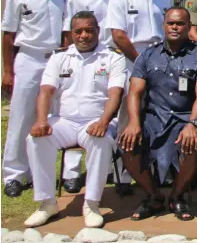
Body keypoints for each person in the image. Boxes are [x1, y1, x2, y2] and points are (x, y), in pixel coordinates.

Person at [24, 12, 126, 228]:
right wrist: (41, 120)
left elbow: (115, 94)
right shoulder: (59, 57)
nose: (84, 35)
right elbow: (46, 91)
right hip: (65, 120)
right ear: (70, 34)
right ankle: (46, 203)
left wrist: (104, 121)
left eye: (89, 30)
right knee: (36, 139)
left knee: (100, 141)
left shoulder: (112, 57)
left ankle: (91, 204)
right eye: (78, 31)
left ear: (98, 32)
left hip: (97, 120)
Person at [117, 7, 197, 222]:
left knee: (191, 145)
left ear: (189, 27)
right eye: (171, 23)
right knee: (127, 144)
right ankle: (153, 196)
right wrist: (134, 123)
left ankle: (177, 196)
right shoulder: (148, 55)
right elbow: (135, 92)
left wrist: (193, 124)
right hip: (154, 117)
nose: (175, 27)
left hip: (185, 117)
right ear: (164, 25)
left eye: (180, 24)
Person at [2, 0, 67, 197]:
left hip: (56, 60)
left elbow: (66, 31)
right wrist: (8, 71)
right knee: (21, 118)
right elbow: (8, 36)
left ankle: (45, 172)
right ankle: (15, 175)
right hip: (28, 58)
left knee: (55, 116)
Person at [107, 0, 171, 194]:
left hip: (160, 62)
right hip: (130, 60)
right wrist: (142, 61)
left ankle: (158, 170)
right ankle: (123, 174)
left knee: (155, 117)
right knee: (128, 118)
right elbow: (119, 36)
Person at [59, 0, 121, 194]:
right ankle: (71, 173)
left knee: (105, 109)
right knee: (73, 110)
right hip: (79, 57)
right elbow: (68, 30)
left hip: (107, 57)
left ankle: (104, 168)